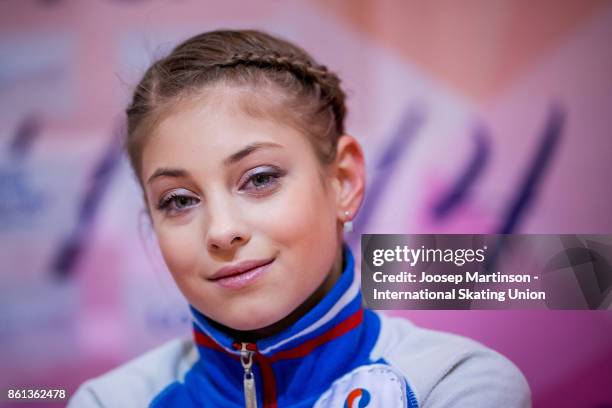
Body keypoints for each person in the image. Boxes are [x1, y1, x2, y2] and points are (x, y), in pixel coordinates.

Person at [68, 29, 531, 407]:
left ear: (343, 181)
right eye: (179, 200)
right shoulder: (108, 401)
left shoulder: (453, 385)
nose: (223, 231)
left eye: (260, 178)